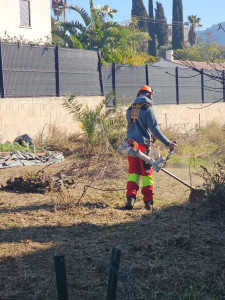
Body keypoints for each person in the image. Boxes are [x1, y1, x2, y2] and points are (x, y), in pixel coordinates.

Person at [125, 85, 177, 210]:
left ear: (139, 95)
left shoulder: (129, 109)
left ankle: (130, 199)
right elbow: (154, 128)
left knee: (133, 173)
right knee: (147, 174)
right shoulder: (148, 109)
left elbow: (136, 126)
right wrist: (168, 143)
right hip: (143, 147)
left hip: (130, 146)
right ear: (150, 95)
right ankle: (148, 201)